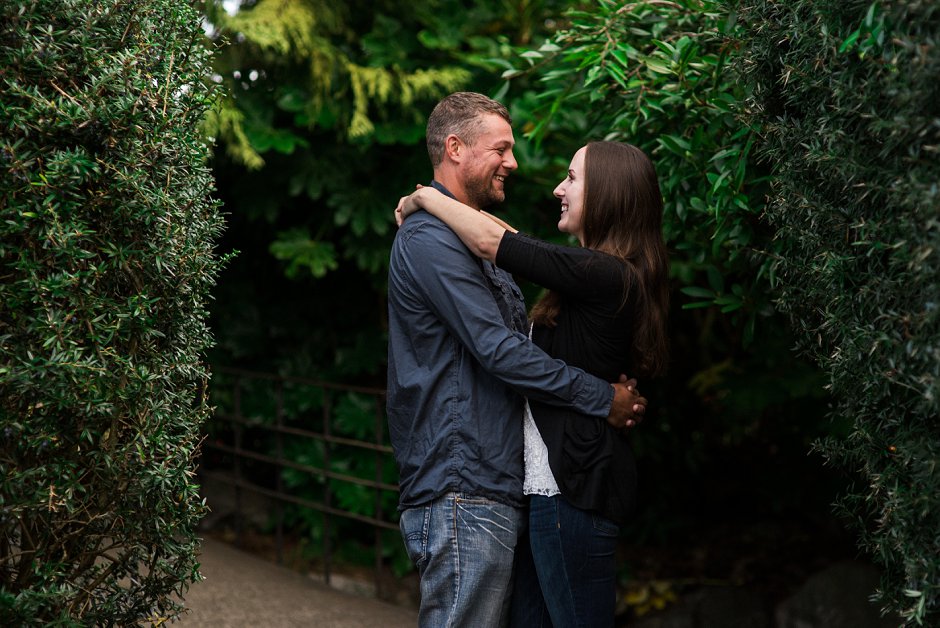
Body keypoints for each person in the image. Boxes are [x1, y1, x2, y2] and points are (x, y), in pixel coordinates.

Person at [386, 92, 647, 627]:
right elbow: (501, 352)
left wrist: (424, 199)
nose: (515, 163)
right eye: (501, 149)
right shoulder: (434, 241)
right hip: (462, 484)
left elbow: (506, 252)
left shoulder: (478, 238)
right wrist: (604, 397)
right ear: (455, 148)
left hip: (499, 484)